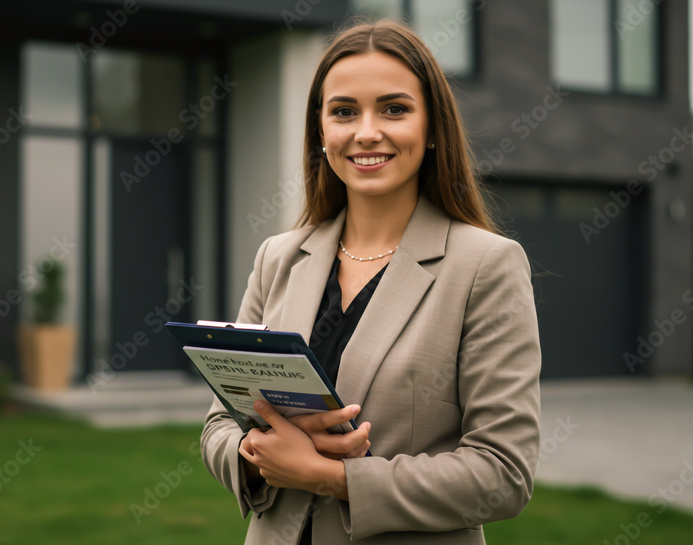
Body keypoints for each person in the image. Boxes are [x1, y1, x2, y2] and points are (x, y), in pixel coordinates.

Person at [200, 18, 542, 545]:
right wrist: (253, 454)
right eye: (343, 112)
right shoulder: (278, 257)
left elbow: (503, 475)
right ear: (321, 132)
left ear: (431, 130)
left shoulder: (486, 266)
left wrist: (333, 478)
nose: (365, 131)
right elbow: (219, 423)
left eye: (394, 109)